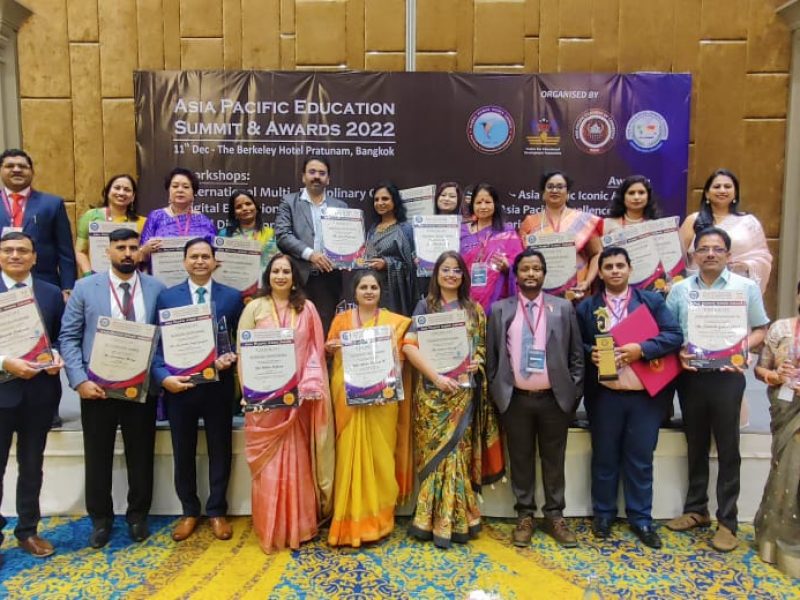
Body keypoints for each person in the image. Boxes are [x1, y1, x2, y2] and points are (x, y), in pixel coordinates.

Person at [59, 228, 165, 548]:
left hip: (141, 389)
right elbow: (69, 337)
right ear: (108, 252)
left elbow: (166, 338)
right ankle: (101, 520)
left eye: (133, 247)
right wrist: (79, 380)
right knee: (98, 456)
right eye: (121, 248)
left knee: (141, 455)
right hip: (97, 389)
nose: (128, 253)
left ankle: (137, 516)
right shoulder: (84, 287)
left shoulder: (157, 288)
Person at [665, 227, 769, 552]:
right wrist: (677, 352)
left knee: (728, 447)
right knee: (695, 442)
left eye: (717, 249)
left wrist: (741, 349)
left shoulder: (745, 287)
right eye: (704, 249)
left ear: (728, 255)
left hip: (727, 375)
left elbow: (761, 329)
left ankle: (728, 521)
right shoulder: (680, 290)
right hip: (691, 375)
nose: (710, 254)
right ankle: (696, 510)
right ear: (694, 255)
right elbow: (669, 332)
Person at [576, 247, 682, 549]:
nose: (614, 271)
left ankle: (641, 519)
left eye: (620, 265)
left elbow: (674, 336)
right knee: (604, 458)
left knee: (640, 459)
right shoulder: (587, 307)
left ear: (630, 269)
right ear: (602, 272)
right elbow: (576, 345)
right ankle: (604, 515)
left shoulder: (650, 301)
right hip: (605, 396)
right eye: (607, 266)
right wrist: (589, 353)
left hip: (644, 398)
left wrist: (642, 349)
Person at [402, 251, 504, 548]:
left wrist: (476, 363)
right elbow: (409, 347)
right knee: (436, 457)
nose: (450, 275)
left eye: (456, 270)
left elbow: (482, 348)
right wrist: (436, 377)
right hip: (433, 396)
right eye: (445, 270)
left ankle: (459, 518)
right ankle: (427, 519)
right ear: (436, 275)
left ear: (464, 276)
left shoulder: (474, 310)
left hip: (462, 394)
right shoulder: (425, 306)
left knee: (456, 455)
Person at [486, 247, 584, 548]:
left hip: (554, 400)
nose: (531, 274)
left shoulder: (563, 308)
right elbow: (492, 359)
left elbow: (576, 357)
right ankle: (525, 515)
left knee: (554, 460)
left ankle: (555, 515)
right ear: (516, 275)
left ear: (544, 273)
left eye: (536, 269)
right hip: (516, 400)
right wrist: (499, 393)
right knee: (521, 459)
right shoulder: (500, 309)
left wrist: (571, 393)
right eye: (525, 269)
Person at [238, 253, 334, 552]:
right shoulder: (254, 308)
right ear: (268, 275)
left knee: (298, 462)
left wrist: (309, 385)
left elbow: (316, 352)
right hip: (264, 405)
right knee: (268, 468)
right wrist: (250, 391)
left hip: (298, 402)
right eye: (276, 271)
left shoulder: (307, 309)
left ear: (295, 278)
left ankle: (299, 526)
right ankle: (271, 526)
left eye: (286, 271)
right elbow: (244, 352)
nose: (280, 276)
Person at [151, 238, 243, 542]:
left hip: (218, 386)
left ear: (215, 261)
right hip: (181, 388)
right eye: (194, 257)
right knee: (183, 449)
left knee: (220, 448)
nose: (200, 261)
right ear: (184, 261)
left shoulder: (232, 297)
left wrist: (233, 357)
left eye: (206, 256)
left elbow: (237, 340)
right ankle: (189, 510)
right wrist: (164, 377)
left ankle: (217, 511)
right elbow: (158, 344)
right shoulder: (167, 298)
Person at [325, 270, 412, 547]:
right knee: (349, 455)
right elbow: (329, 350)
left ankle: (379, 522)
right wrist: (332, 347)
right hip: (348, 401)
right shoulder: (340, 320)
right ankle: (349, 520)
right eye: (363, 287)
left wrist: (382, 377)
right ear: (355, 292)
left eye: (374, 287)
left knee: (379, 459)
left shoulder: (393, 324)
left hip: (380, 402)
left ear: (380, 291)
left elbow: (399, 360)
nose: (369, 291)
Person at [0, 232, 65, 559]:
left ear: (34, 257)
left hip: (39, 394)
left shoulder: (51, 293)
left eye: (22, 250)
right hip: (1, 393)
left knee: (32, 465)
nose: (15, 255)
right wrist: (3, 362)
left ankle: (27, 530)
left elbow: (59, 337)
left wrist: (56, 357)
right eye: (8, 250)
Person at [753, 282, 800, 577]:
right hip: (788, 413)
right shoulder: (781, 329)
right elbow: (760, 369)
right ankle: (779, 542)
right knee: (788, 474)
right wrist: (775, 375)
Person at [274, 157, 348, 334]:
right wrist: (310, 254)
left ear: (328, 179)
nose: (317, 177)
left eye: (322, 173)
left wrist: (350, 256)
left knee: (325, 329)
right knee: (296, 328)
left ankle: (322, 362)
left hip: (329, 278)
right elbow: (283, 236)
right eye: (312, 172)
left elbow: (347, 241)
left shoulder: (341, 206)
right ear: (303, 177)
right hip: (298, 277)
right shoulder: (289, 202)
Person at [0, 149, 77, 301]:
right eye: (10, 166)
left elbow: (65, 251)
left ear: (32, 171)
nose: (16, 170)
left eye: (22, 166)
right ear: (1, 170)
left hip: (43, 286)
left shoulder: (52, 204)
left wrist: (68, 288)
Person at [679, 169, 772, 293]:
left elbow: (763, 258)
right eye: (717, 186)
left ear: (735, 193)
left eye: (727, 186)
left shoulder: (749, 222)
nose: (722, 190)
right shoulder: (693, 220)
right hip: (698, 292)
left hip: (736, 292)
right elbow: (677, 260)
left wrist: (745, 266)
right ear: (707, 193)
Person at [519, 170, 602, 300]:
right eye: (550, 186)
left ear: (567, 193)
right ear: (543, 194)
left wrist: (587, 281)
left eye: (560, 187)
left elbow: (597, 253)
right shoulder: (530, 222)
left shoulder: (582, 220)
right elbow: (521, 259)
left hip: (576, 293)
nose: (555, 190)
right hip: (540, 293)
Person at [460, 183, 523, 316]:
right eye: (478, 202)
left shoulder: (507, 232)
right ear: (472, 205)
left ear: (495, 204)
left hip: (497, 302)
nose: (483, 206)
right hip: (465, 300)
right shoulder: (462, 232)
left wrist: (508, 267)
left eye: (488, 202)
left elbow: (520, 264)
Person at [138, 167, 217, 268]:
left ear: (194, 193)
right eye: (175, 186)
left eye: (186, 187)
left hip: (197, 278)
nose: (180, 190)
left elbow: (215, 256)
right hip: (163, 279)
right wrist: (145, 250)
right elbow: (141, 256)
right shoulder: (156, 217)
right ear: (169, 191)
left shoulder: (204, 221)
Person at [75, 174, 146, 276]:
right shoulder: (91, 216)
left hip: (129, 278)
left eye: (127, 190)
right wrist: (89, 275)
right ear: (107, 191)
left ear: (133, 197)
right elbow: (80, 251)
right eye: (117, 188)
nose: (121, 193)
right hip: (95, 279)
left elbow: (142, 255)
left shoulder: (142, 222)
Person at [364, 181, 416, 316]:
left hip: (395, 291)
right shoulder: (372, 229)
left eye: (385, 198)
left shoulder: (405, 229)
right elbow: (369, 255)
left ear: (395, 201)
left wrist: (387, 264)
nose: (380, 202)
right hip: (373, 287)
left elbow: (411, 266)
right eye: (376, 199)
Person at [416, 182, 464, 300]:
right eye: (443, 195)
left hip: (454, 279)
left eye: (452, 196)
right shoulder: (423, 224)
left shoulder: (465, 226)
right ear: (436, 198)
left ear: (459, 201)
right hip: (428, 279)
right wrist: (418, 258)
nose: (447, 199)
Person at [218, 189, 278, 274]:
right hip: (234, 281)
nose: (245, 208)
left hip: (264, 283)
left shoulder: (271, 234)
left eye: (248, 204)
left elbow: (277, 262)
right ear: (234, 214)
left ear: (256, 208)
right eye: (239, 207)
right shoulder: (225, 234)